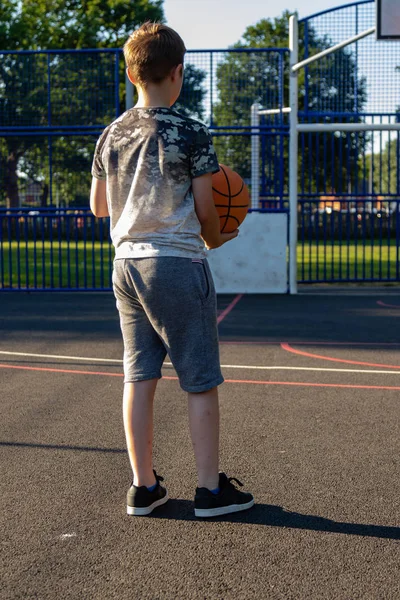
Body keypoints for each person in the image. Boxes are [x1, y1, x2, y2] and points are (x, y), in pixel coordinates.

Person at [90, 22, 254, 518]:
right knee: (199, 378)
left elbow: (100, 207)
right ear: (178, 73)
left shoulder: (112, 132)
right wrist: (220, 237)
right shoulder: (190, 130)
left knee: (138, 375)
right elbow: (207, 212)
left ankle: (144, 487)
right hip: (178, 263)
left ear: (130, 72)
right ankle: (209, 491)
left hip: (126, 266)